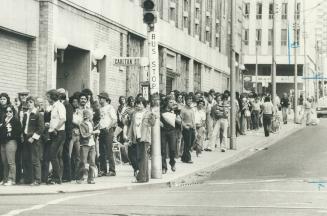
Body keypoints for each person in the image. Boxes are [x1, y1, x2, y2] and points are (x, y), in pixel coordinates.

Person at [128, 97, 156, 183]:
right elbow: (131, 126)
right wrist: (130, 137)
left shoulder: (148, 113)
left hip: (144, 138)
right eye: (137, 103)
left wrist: (153, 116)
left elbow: (152, 124)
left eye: (140, 103)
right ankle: (145, 177)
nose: (138, 105)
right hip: (136, 137)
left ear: (144, 105)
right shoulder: (134, 113)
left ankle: (141, 178)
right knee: (140, 157)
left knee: (142, 158)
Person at [22, 96, 44, 185]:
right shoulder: (26, 114)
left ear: (34, 103)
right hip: (26, 138)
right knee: (26, 159)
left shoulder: (38, 114)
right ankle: (28, 179)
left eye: (31, 102)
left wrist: (33, 137)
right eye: (28, 102)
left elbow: (41, 128)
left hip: (34, 139)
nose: (29, 103)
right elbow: (24, 126)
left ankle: (37, 180)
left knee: (35, 159)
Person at [46, 89, 66, 184]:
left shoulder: (59, 105)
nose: (47, 99)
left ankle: (57, 178)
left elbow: (63, 119)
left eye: (48, 97)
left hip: (59, 133)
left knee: (53, 155)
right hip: (53, 133)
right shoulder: (53, 106)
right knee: (55, 156)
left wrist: (56, 129)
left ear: (52, 97)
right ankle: (57, 177)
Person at [0, 104, 21, 186]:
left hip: (11, 142)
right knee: (4, 162)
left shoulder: (15, 120)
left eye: (10, 111)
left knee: (11, 162)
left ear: (13, 112)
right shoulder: (4, 120)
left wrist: (9, 135)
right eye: (7, 111)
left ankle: (12, 179)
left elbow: (18, 132)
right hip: (3, 142)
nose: (8, 113)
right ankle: (5, 179)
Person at [77, 109, 99, 184]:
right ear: (87, 116)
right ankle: (80, 177)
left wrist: (96, 132)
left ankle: (90, 178)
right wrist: (92, 133)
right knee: (83, 161)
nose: (92, 116)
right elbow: (83, 135)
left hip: (92, 144)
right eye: (90, 114)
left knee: (92, 161)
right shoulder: (81, 124)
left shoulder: (91, 123)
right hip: (84, 144)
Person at [98, 92, 117, 177]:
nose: (99, 100)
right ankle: (103, 170)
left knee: (109, 151)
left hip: (108, 131)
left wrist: (108, 127)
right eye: (99, 98)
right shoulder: (100, 108)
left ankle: (112, 170)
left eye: (101, 98)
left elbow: (114, 120)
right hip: (101, 130)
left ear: (105, 99)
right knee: (102, 151)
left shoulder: (110, 108)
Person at [160, 96, 179, 174]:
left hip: (172, 131)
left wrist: (177, 119)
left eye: (173, 102)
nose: (172, 104)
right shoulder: (161, 110)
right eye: (170, 102)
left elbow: (179, 121)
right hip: (163, 131)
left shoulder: (175, 111)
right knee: (163, 150)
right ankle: (164, 167)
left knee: (172, 149)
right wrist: (159, 122)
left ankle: (172, 162)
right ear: (167, 103)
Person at [180, 94, 195, 163]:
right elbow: (180, 119)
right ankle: (188, 158)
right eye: (188, 99)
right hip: (186, 128)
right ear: (186, 100)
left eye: (191, 99)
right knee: (187, 143)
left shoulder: (191, 109)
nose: (190, 101)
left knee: (191, 142)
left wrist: (194, 127)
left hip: (192, 128)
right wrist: (184, 126)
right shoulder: (183, 109)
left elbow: (193, 119)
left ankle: (183, 157)